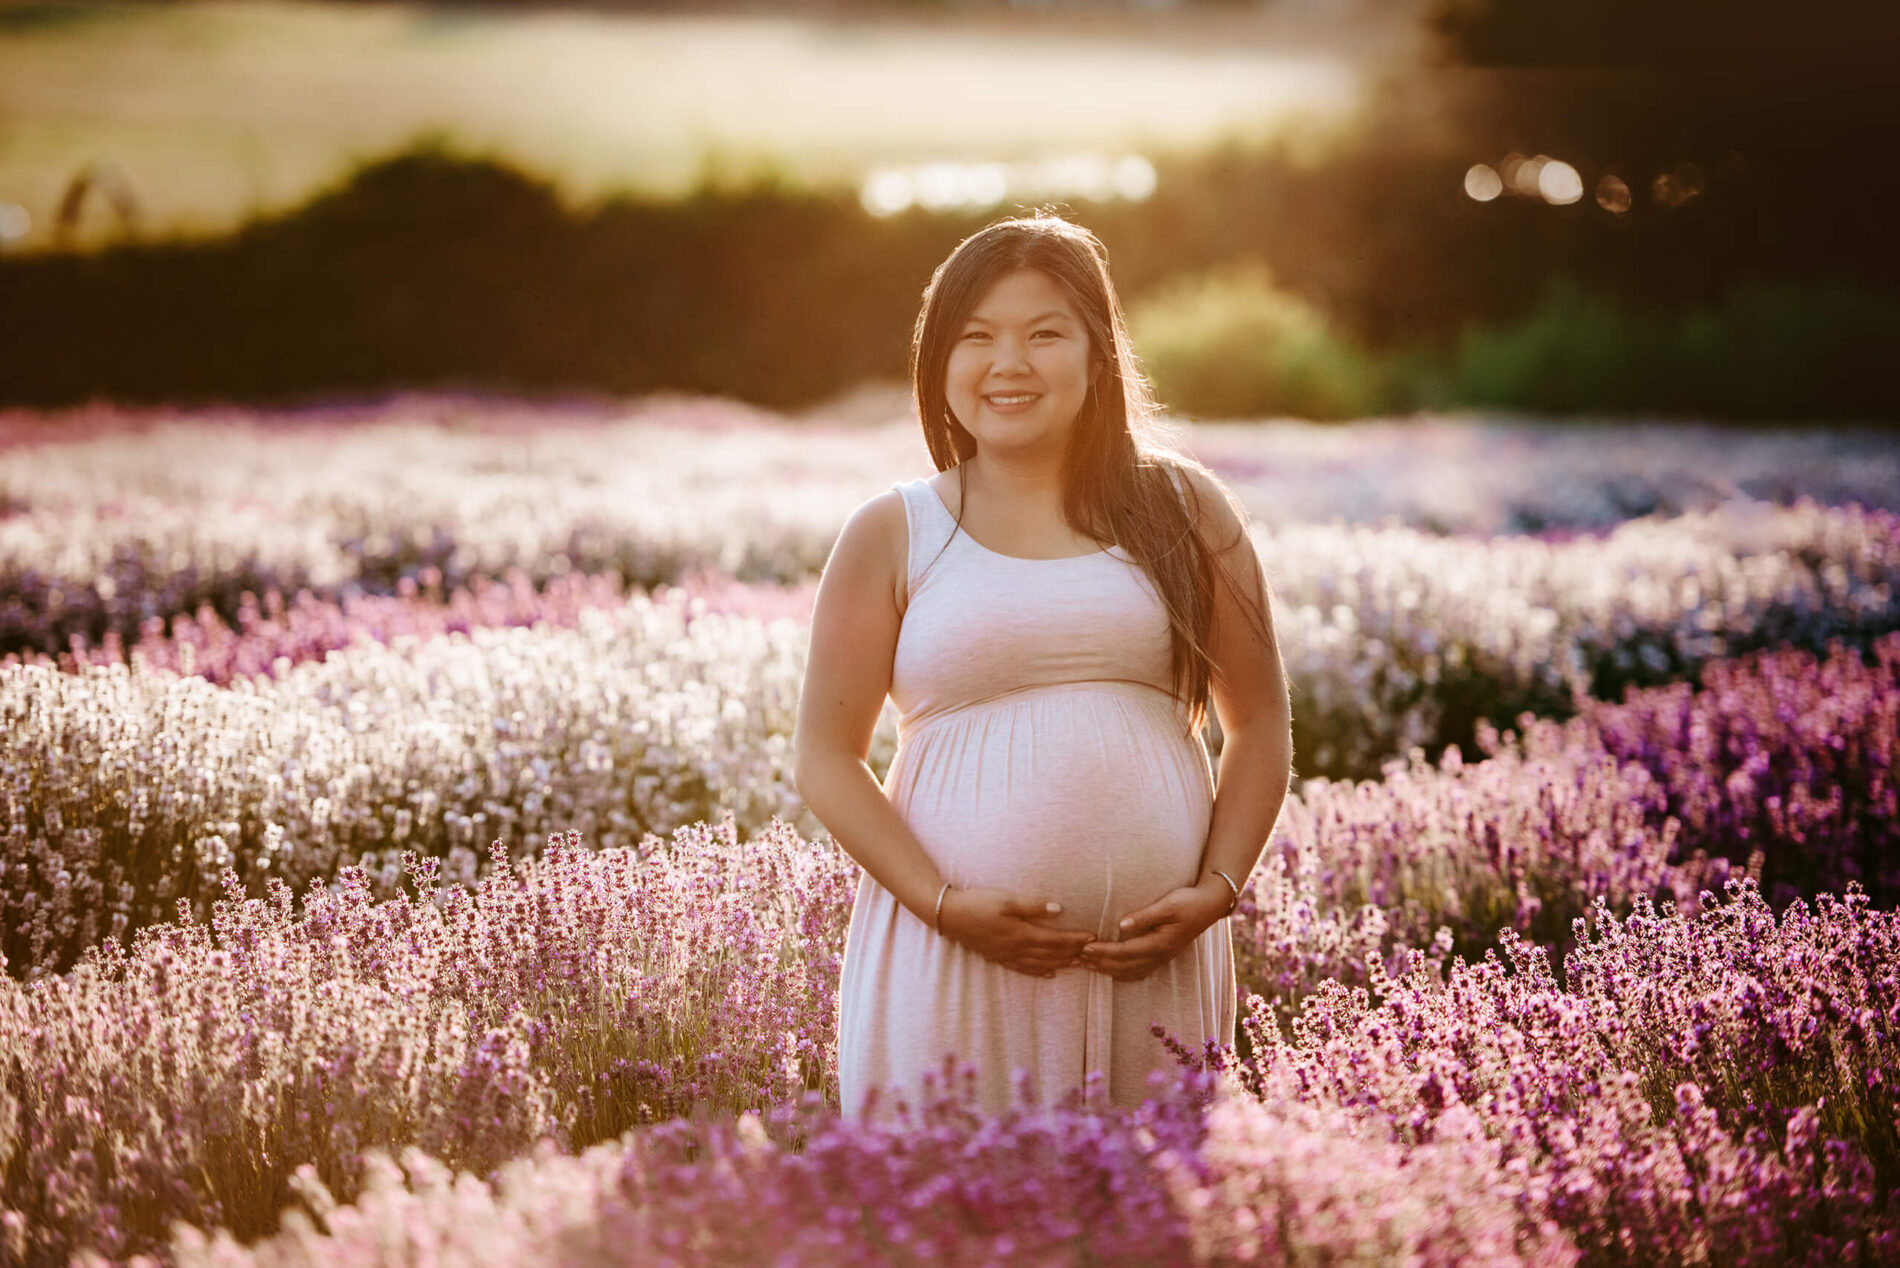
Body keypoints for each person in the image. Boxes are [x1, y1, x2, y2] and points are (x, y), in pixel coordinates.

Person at [793, 212, 1294, 1119]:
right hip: (951, 957)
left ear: (1098, 356)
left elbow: (1258, 724)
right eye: (976, 337)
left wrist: (1218, 892)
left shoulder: (1186, 508)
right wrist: (943, 905)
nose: (1009, 363)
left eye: (1045, 333)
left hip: (1159, 965)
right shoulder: (892, 531)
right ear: (938, 363)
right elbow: (826, 757)